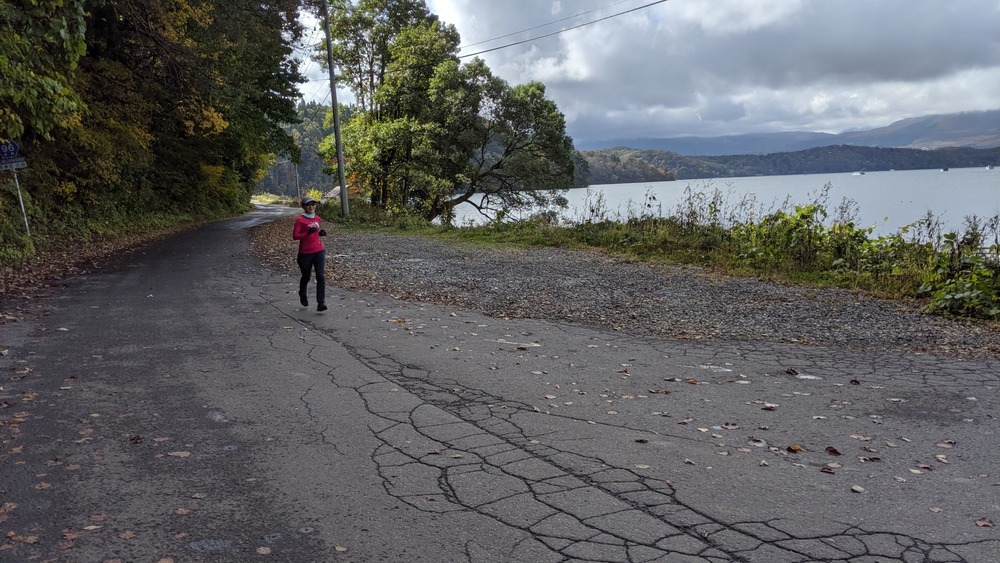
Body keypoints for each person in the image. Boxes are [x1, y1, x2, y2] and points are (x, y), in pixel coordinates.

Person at [292, 196, 328, 311]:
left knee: (320, 276)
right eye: (308, 205)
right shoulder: (300, 220)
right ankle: (302, 293)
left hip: (319, 250)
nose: (311, 207)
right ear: (303, 206)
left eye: (313, 204)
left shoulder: (317, 218)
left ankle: (321, 303)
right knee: (306, 276)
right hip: (305, 253)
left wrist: (320, 233)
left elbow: (316, 232)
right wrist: (307, 233)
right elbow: (295, 236)